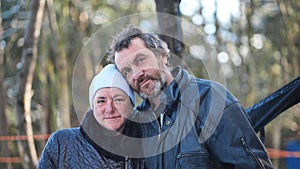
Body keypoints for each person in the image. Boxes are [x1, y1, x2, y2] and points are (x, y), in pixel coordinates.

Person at [107, 25, 274, 169]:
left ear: (163, 56)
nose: (136, 74)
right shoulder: (138, 124)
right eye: (127, 71)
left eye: (141, 60)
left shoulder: (209, 99)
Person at [37, 64, 145, 168]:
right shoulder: (62, 143)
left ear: (132, 105)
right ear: (93, 106)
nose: (109, 108)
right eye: (101, 101)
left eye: (118, 99)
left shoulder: (147, 146)